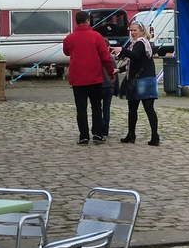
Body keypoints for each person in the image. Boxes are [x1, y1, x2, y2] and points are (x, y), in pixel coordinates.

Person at [63, 11, 116, 145]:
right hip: (95, 78)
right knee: (96, 107)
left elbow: (66, 51)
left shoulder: (69, 38)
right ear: (88, 21)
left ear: (76, 21)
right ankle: (97, 134)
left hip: (78, 78)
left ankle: (84, 136)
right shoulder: (97, 36)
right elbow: (106, 57)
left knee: (81, 109)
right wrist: (111, 72)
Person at [119, 22, 160, 146]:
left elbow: (135, 56)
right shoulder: (136, 43)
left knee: (147, 109)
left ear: (142, 31)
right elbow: (134, 62)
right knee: (133, 109)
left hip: (143, 81)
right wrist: (119, 70)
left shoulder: (141, 43)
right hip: (139, 79)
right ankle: (131, 134)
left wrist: (122, 50)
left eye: (135, 30)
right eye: (131, 30)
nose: (132, 32)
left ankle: (154, 136)